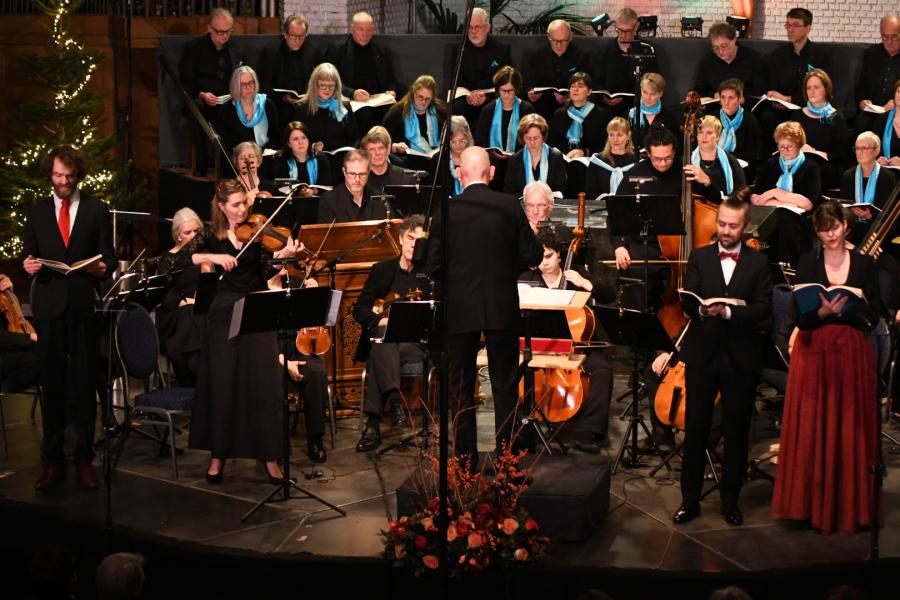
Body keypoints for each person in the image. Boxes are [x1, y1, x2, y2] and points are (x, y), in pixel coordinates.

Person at [426, 147, 543, 462]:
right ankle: (507, 460)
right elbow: (534, 256)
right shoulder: (508, 205)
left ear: (460, 174)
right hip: (501, 304)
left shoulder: (446, 211)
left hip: (460, 307)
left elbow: (432, 266)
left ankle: (466, 464)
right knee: (504, 386)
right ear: (490, 173)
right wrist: (507, 267)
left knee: (461, 388)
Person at [772, 201, 882, 534]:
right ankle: (806, 506)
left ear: (846, 227)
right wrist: (820, 314)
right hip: (814, 351)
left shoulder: (864, 264)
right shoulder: (808, 262)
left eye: (834, 227)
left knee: (848, 426)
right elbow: (802, 317)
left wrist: (848, 310)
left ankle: (848, 507)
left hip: (850, 352)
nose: (829, 235)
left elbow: (874, 314)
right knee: (811, 426)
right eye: (823, 229)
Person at [185, 178, 301, 483]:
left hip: (257, 306)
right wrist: (212, 256)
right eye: (235, 205)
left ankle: (270, 456)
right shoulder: (210, 234)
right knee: (223, 383)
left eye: (244, 203)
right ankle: (218, 455)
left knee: (266, 384)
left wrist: (282, 260)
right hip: (223, 312)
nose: (242, 210)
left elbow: (264, 272)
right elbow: (178, 258)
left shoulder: (257, 231)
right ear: (221, 206)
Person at [672, 193, 773, 526]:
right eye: (722, 224)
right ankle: (689, 500)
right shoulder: (700, 257)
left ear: (745, 227)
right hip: (703, 355)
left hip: (740, 358)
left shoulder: (758, 263)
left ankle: (731, 501)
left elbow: (763, 311)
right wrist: (699, 308)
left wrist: (729, 311)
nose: (726, 231)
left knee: (736, 430)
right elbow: (688, 302)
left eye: (732, 226)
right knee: (696, 429)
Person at [22, 145, 115, 491]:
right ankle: (53, 460)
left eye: (69, 176)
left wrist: (101, 267)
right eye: (58, 176)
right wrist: (28, 265)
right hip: (49, 307)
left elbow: (109, 255)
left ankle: (84, 459)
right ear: (51, 174)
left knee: (83, 382)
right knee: (53, 384)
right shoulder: (38, 212)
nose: (63, 182)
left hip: (81, 305)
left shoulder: (95, 209)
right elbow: (28, 254)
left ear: (78, 175)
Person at [518, 228, 617, 450]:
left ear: (560, 255)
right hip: (542, 346)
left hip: (577, 346)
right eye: (538, 257)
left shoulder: (575, 273)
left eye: (549, 256)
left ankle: (588, 431)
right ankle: (522, 429)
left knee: (602, 370)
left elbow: (609, 295)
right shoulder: (527, 279)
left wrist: (585, 283)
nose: (543, 262)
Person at [353, 215, 429, 452]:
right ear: (400, 239)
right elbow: (360, 310)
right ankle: (396, 400)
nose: (414, 245)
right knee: (383, 339)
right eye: (410, 238)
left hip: (415, 344)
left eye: (420, 240)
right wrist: (380, 319)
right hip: (387, 343)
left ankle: (373, 425)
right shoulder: (382, 270)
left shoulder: (430, 274)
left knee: (380, 348)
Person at [612, 126, 682, 311]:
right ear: (648, 153)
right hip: (645, 244)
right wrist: (619, 245)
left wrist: (706, 182)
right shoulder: (636, 174)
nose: (663, 163)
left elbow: (713, 201)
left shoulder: (685, 171)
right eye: (657, 158)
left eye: (668, 157)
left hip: (679, 248)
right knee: (634, 280)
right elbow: (618, 213)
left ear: (674, 151)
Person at [178, 8, 243, 177]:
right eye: (219, 32)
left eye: (228, 32)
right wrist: (202, 94)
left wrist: (235, 93)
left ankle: (228, 165)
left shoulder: (235, 48)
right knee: (196, 109)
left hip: (229, 100)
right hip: (202, 100)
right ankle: (201, 162)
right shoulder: (194, 48)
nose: (224, 36)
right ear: (209, 28)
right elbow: (185, 80)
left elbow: (242, 73)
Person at [751, 120, 821, 267]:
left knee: (784, 220)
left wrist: (776, 193)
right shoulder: (771, 164)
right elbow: (755, 196)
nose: (785, 150)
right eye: (781, 147)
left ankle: (786, 269)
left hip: (797, 220)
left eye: (790, 146)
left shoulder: (811, 167)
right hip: (768, 215)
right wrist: (781, 201)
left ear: (799, 145)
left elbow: (808, 203)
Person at [760, 8, 833, 143]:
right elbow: (771, 84)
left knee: (800, 115)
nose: (790, 30)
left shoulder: (821, 56)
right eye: (788, 25)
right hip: (781, 108)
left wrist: (789, 99)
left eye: (796, 25)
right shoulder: (777, 55)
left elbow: (822, 90)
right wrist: (775, 97)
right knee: (767, 115)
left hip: (808, 105)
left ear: (808, 28)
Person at [154, 207, 206, 387]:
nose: (193, 236)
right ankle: (196, 373)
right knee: (190, 314)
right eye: (187, 232)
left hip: (200, 310)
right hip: (174, 314)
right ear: (178, 235)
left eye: (196, 231)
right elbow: (166, 295)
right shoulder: (167, 259)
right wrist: (187, 301)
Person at [326, 11, 399, 133]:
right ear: (352, 29)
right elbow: (330, 80)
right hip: (350, 100)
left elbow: (391, 78)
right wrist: (352, 93)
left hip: (377, 99)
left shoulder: (381, 51)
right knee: (365, 114)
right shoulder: (338, 49)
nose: (365, 34)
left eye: (369, 30)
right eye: (361, 30)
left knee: (396, 111)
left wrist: (392, 91)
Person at [589, 8, 660, 119]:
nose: (623, 35)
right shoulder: (604, 51)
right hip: (606, 108)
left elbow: (653, 82)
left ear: (636, 27)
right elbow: (595, 79)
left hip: (635, 107)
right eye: (619, 30)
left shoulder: (646, 51)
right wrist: (603, 96)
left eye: (627, 31)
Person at [449, 7, 512, 128]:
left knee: (496, 105)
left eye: (477, 27)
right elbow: (455, 81)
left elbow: (505, 81)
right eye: (470, 27)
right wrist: (468, 96)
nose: (473, 31)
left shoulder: (501, 50)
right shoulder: (459, 50)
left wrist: (486, 97)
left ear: (487, 28)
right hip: (467, 99)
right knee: (457, 107)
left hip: (491, 98)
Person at [258, 14, 324, 125]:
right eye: (293, 36)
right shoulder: (271, 52)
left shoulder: (313, 50)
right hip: (279, 102)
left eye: (301, 36)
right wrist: (282, 98)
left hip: (307, 100)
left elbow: (323, 76)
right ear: (285, 34)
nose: (297, 40)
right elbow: (263, 83)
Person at [790, 69, 849, 189]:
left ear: (826, 89)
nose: (812, 92)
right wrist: (800, 147)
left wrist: (822, 154)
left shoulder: (836, 117)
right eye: (808, 88)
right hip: (801, 162)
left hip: (826, 166)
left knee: (812, 170)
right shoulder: (797, 115)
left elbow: (843, 154)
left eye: (816, 87)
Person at [524, 19, 590, 121]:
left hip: (571, 105)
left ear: (570, 36)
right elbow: (528, 83)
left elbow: (586, 85)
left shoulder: (581, 56)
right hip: (542, 106)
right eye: (555, 41)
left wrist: (568, 97)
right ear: (548, 36)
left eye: (563, 41)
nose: (559, 45)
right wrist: (530, 93)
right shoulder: (536, 55)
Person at [840, 131, 898, 245]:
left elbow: (889, 212)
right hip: (853, 227)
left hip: (877, 229)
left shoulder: (887, 177)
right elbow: (845, 204)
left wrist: (870, 216)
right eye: (857, 148)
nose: (859, 152)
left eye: (864, 148)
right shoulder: (848, 175)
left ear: (876, 151)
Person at [382, 75, 447, 175]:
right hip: (407, 160)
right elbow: (381, 140)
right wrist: (394, 146)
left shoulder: (440, 110)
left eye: (428, 99)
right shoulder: (397, 112)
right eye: (420, 97)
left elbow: (449, 136)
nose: (423, 102)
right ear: (413, 92)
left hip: (435, 159)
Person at [291, 63, 359, 154]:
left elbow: (354, 139)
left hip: (340, 159)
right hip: (311, 157)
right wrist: (312, 147)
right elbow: (295, 140)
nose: (327, 90)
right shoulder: (301, 109)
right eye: (323, 85)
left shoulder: (343, 108)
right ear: (314, 85)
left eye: (331, 86)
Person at [217, 65, 279, 157]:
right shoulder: (227, 110)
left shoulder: (267, 105)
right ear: (236, 86)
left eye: (251, 82)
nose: (248, 87)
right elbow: (225, 144)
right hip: (238, 159)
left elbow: (275, 136)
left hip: (264, 157)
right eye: (243, 84)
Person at [693, 22, 766, 99]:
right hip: (715, 108)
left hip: (745, 107)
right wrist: (714, 96)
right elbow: (697, 93)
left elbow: (761, 91)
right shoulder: (708, 62)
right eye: (715, 48)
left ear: (734, 39)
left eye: (724, 46)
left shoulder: (752, 58)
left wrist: (739, 96)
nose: (720, 52)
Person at [686, 115, 747, 204]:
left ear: (718, 136)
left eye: (709, 133)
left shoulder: (730, 160)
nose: (704, 136)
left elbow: (741, 191)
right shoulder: (688, 160)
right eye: (700, 132)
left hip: (723, 209)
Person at [853, 16, 900, 134]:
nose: (889, 41)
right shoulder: (871, 54)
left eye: (894, 37)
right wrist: (862, 100)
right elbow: (861, 84)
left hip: (897, 111)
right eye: (885, 37)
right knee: (861, 126)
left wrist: (896, 103)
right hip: (872, 111)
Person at [475, 66, 536, 155]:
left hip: (520, 160)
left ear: (517, 90)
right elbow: (480, 142)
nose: (506, 95)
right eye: (503, 90)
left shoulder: (526, 109)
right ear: (497, 90)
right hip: (492, 159)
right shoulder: (488, 110)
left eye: (510, 90)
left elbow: (532, 139)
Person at [548, 72, 610, 159]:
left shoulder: (601, 115)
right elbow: (552, 143)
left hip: (590, 163)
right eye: (572, 86)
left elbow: (604, 144)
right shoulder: (560, 114)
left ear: (589, 92)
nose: (575, 89)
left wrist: (585, 152)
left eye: (580, 87)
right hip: (563, 162)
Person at [260, 120, 333, 194]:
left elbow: (326, 186)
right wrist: (299, 192)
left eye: (304, 138)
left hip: (318, 202)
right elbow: (279, 188)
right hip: (289, 202)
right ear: (289, 143)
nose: (301, 142)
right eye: (295, 139)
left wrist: (313, 191)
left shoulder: (320, 158)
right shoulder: (280, 160)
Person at [503, 113, 568, 195]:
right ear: (522, 137)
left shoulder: (556, 157)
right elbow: (509, 190)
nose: (532, 142)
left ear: (543, 136)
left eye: (536, 138)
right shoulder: (514, 159)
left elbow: (561, 189)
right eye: (528, 138)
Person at [317, 149, 387, 223]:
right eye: (352, 174)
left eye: (362, 174)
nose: (357, 179)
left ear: (369, 172)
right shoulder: (329, 201)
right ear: (344, 172)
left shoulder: (381, 200)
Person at [716, 78, 762, 181]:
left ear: (740, 99)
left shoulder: (750, 120)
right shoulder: (713, 118)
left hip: (741, 171)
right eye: (723, 97)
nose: (726, 102)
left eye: (731, 98)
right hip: (716, 168)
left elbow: (754, 155)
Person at [0, 274, 39, 392]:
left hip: (16, 349)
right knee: (45, 360)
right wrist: (30, 337)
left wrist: (9, 293)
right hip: (5, 356)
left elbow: (15, 319)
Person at [585, 117, 636, 198]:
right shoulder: (597, 161)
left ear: (628, 136)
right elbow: (590, 192)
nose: (615, 139)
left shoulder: (636, 161)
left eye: (619, 135)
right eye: (611, 135)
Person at [627, 72, 681, 147]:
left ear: (660, 94)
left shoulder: (670, 116)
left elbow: (677, 146)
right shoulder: (630, 114)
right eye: (645, 92)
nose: (648, 97)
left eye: (652, 94)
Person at [361, 126, 408, 193]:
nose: (377, 153)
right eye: (372, 149)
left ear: (387, 149)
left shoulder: (406, 177)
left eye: (381, 148)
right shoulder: (358, 179)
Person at [875, 79, 900, 166]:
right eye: (898, 92)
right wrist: (877, 159)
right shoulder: (882, 119)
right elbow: (874, 147)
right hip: (886, 170)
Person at [448, 116, 473, 196]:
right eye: (453, 142)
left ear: (468, 139)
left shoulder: (474, 157)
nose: (457, 145)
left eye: (461, 141)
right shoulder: (440, 159)